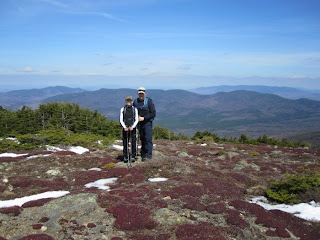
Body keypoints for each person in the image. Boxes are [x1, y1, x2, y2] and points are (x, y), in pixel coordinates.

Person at [133, 87, 156, 160]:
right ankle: (143, 153)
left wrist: (144, 118)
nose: (141, 95)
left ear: (145, 94)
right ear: (138, 94)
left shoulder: (149, 101)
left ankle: (148, 155)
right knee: (142, 138)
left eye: (142, 93)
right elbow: (133, 111)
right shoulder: (135, 102)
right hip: (139, 123)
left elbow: (153, 113)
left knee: (148, 138)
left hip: (147, 122)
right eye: (140, 93)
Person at [120, 95, 139, 162]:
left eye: (130, 100)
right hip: (125, 128)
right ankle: (125, 156)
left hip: (132, 127)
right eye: (127, 100)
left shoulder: (135, 109)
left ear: (132, 101)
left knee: (133, 142)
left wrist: (133, 127)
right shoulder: (123, 109)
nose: (129, 102)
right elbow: (121, 120)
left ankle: (133, 156)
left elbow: (136, 119)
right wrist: (124, 127)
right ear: (125, 101)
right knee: (125, 142)